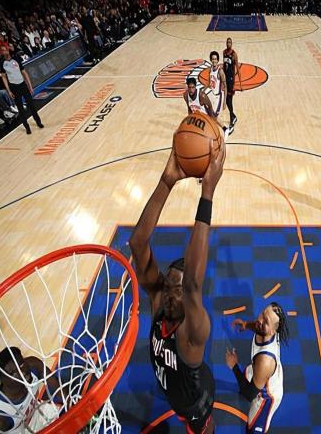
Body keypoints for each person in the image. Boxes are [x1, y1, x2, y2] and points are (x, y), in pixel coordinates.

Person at [129, 137, 226, 433]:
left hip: (195, 404)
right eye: (169, 286)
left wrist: (207, 193)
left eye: (178, 290)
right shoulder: (160, 300)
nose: (171, 294)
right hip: (176, 391)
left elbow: (193, 284)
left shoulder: (194, 330)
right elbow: (137, 244)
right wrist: (166, 181)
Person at [225, 303, 289, 434]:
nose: (259, 320)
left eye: (266, 321)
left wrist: (234, 366)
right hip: (260, 371)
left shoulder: (265, 360)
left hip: (267, 395)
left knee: (252, 429)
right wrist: (246, 324)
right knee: (248, 374)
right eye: (263, 314)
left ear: (273, 331)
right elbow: (258, 325)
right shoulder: (265, 329)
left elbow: (249, 395)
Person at [0, 347, 61, 433]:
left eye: (21, 364)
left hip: (40, 412)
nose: (22, 372)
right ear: (3, 380)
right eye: (13, 373)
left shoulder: (34, 366)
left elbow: (61, 391)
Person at [0, 46, 43, 135]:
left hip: (22, 84)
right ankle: (27, 127)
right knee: (20, 109)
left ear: (8, 50)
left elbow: (24, 72)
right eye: (2, 50)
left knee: (31, 105)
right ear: (1, 52)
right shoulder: (2, 63)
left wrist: (30, 86)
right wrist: (9, 91)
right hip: (14, 87)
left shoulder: (16, 59)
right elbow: (4, 77)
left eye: (5, 49)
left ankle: (38, 122)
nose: (4, 51)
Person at [223, 37, 242, 133]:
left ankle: (232, 119)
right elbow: (224, 65)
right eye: (227, 42)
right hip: (225, 78)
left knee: (229, 99)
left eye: (230, 42)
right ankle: (233, 116)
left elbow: (237, 68)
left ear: (232, 44)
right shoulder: (224, 52)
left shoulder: (234, 54)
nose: (228, 44)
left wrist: (240, 84)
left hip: (231, 80)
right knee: (226, 99)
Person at [208, 51, 226, 119]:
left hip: (218, 97)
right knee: (209, 113)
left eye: (215, 59)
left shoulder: (220, 71)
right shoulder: (210, 69)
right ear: (211, 60)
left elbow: (225, 87)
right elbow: (209, 84)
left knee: (214, 116)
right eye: (213, 59)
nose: (214, 61)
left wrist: (224, 101)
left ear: (218, 60)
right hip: (212, 95)